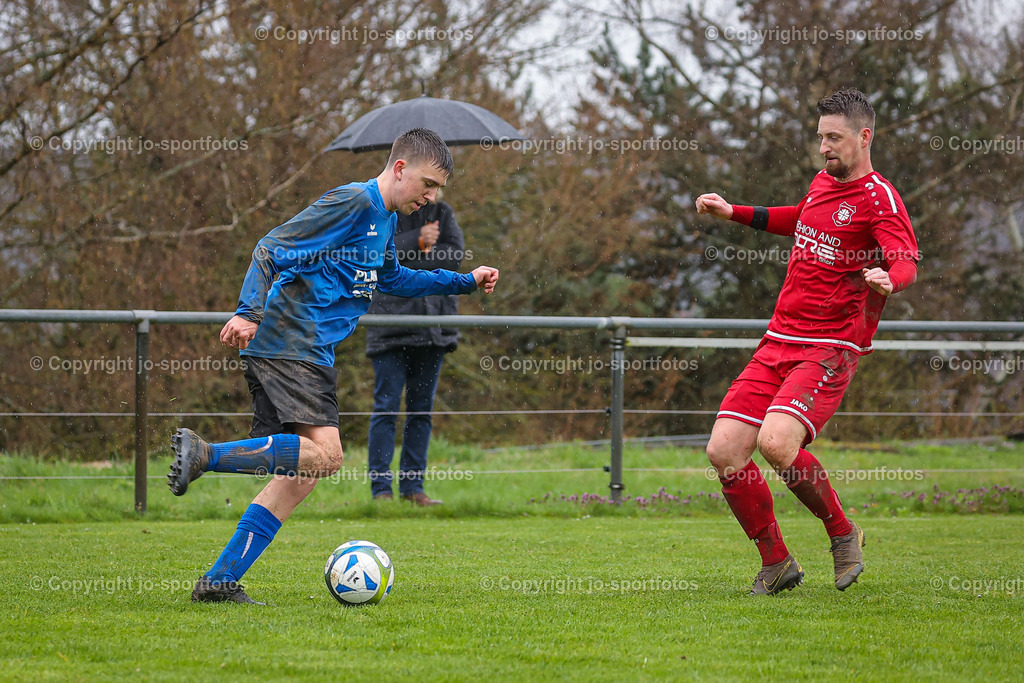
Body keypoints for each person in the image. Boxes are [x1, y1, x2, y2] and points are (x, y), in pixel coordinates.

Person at [166, 128, 500, 604]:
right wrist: (248, 311)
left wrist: (464, 280)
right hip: (291, 341)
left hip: (306, 348)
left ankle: (219, 582)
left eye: (439, 190)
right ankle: (205, 456)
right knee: (328, 457)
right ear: (400, 169)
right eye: (428, 184)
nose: (432, 198)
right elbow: (270, 247)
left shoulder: (382, 219)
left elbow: (394, 278)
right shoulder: (353, 203)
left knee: (299, 475)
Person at [694, 89, 919, 595]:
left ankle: (842, 534)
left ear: (865, 137)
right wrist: (734, 213)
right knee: (724, 452)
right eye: (821, 138)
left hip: (829, 346)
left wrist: (891, 279)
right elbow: (799, 220)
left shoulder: (879, 197)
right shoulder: (822, 183)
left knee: (776, 443)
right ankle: (776, 562)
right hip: (779, 340)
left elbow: (905, 255)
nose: (824, 148)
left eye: (834, 138)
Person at [364, 193, 466, 505]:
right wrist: (417, 241)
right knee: (386, 409)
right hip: (389, 332)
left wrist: (413, 257)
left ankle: (413, 489)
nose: (431, 191)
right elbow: (377, 258)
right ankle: (381, 490)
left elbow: (454, 258)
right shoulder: (383, 214)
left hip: (433, 332)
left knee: (421, 412)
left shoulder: (443, 212)